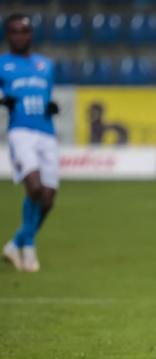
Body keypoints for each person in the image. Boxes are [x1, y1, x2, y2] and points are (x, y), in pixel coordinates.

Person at [1, 13, 60, 272]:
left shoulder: (45, 65)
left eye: (23, 31)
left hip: (46, 131)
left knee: (47, 199)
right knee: (34, 187)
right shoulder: (2, 64)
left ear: (30, 34)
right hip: (20, 131)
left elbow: (46, 95)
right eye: (14, 31)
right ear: (7, 35)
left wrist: (51, 106)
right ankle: (29, 247)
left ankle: (15, 243)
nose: (19, 36)